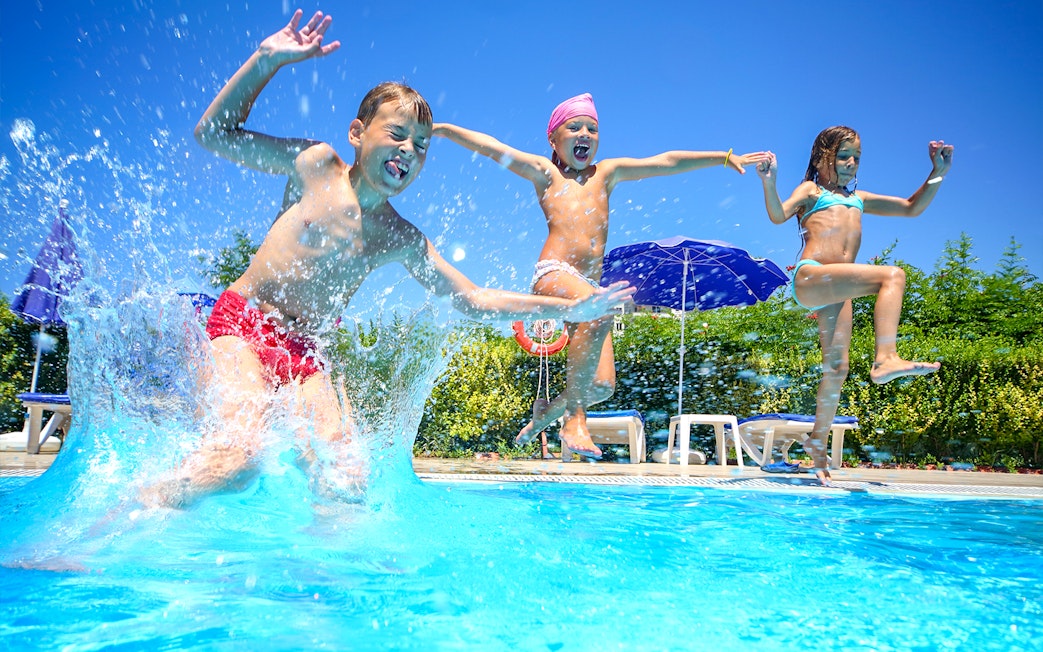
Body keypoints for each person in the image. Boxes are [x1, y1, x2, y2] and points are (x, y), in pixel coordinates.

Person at [141, 11, 634, 507]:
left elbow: (474, 299)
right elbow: (214, 134)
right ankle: (125, 517)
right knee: (237, 460)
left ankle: (322, 579)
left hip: (309, 354)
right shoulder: (316, 166)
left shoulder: (400, 236)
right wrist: (266, 62)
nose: (408, 151)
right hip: (244, 325)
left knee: (346, 480)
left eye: (421, 146)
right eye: (396, 134)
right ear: (358, 133)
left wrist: (571, 309)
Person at [434, 94, 768, 459]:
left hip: (588, 287)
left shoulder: (606, 174)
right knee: (597, 311)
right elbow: (493, 148)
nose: (585, 134)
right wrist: (445, 130)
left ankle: (548, 411)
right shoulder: (546, 174)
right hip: (554, 273)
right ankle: (574, 419)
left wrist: (722, 157)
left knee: (602, 385)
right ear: (553, 139)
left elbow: (665, 161)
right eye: (574, 127)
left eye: (592, 128)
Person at [756, 125, 954, 485]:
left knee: (837, 368)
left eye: (856, 157)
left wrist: (937, 174)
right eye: (843, 155)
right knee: (892, 275)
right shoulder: (810, 191)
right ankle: (886, 358)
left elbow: (911, 208)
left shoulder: (859, 198)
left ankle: (817, 441)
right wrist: (770, 182)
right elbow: (776, 214)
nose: (850, 162)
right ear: (822, 157)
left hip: (837, 290)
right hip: (813, 275)